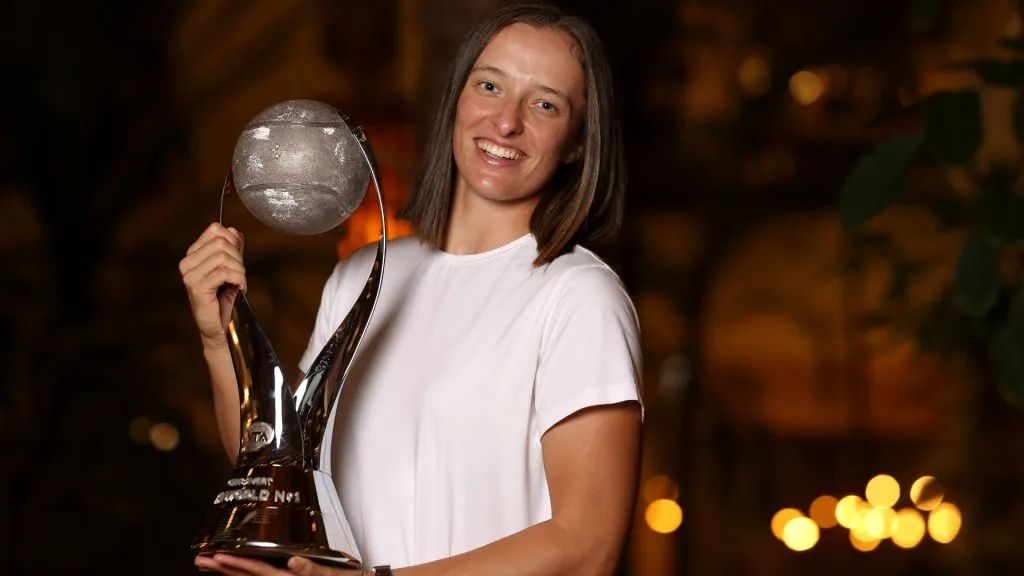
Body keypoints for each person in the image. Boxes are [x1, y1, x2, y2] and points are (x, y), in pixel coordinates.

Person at [179, 4, 643, 575]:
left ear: (577, 142)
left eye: (545, 103)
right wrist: (219, 336)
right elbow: (284, 478)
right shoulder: (359, 277)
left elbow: (587, 546)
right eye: (490, 85)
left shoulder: (578, 297)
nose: (506, 122)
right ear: (457, 99)